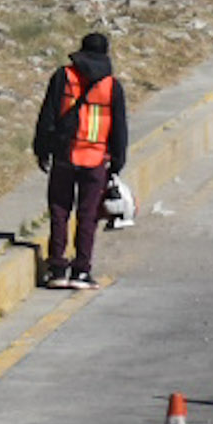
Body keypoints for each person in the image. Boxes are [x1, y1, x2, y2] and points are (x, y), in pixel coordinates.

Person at [31, 30, 128, 290]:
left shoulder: (64, 77)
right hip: (96, 159)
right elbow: (119, 128)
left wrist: (41, 150)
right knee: (88, 216)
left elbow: (47, 116)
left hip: (64, 155)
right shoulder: (112, 86)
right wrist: (117, 162)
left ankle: (57, 269)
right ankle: (81, 271)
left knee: (60, 210)